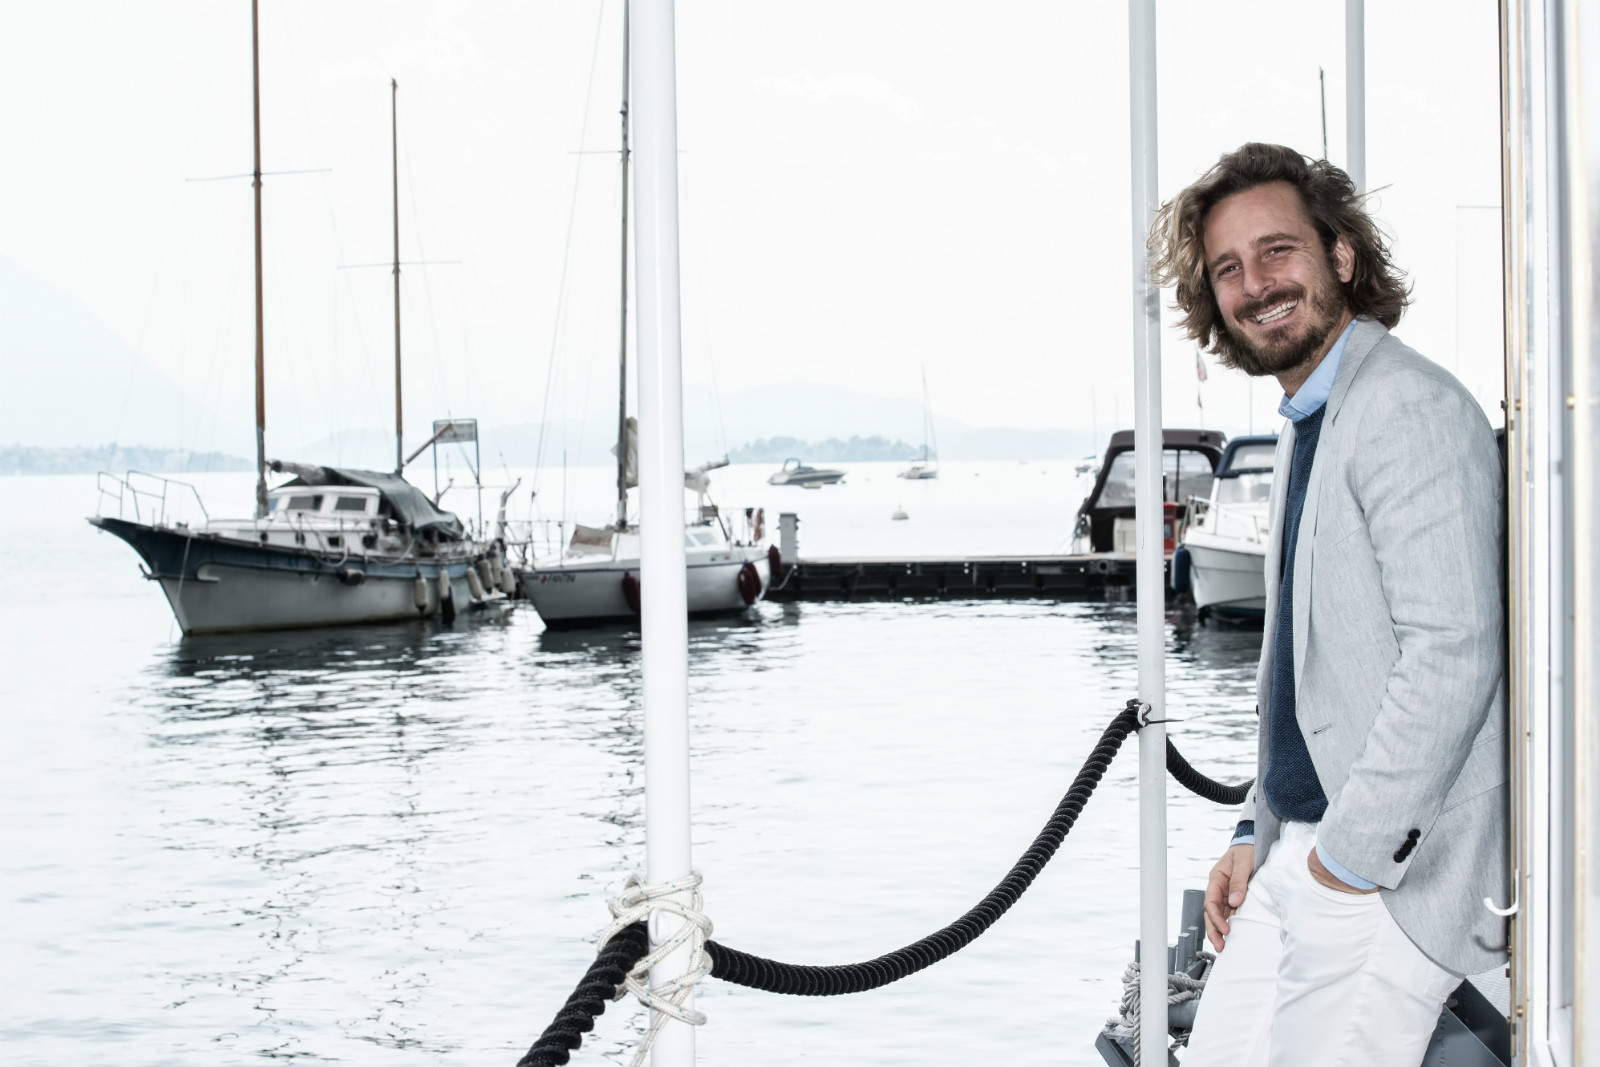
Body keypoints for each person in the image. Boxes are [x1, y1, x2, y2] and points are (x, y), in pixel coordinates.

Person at [1147, 143, 1508, 1067]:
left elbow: (1455, 653)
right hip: (1302, 850)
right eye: (1229, 268)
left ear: (1341, 255)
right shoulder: (1313, 416)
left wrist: (1344, 862)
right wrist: (1252, 828)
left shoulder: (1405, 406)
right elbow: (1314, 673)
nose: (1255, 285)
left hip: (1384, 873)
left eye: (1278, 251)